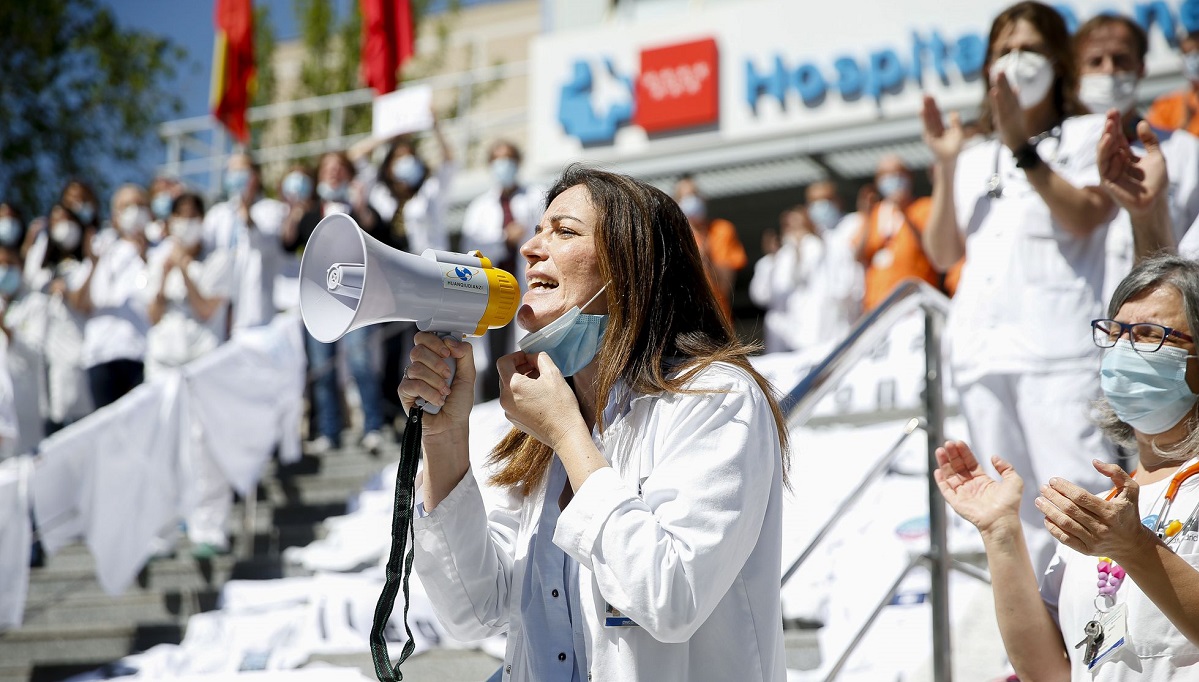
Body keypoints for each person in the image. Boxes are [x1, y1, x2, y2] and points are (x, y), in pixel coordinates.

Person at [403, 165, 790, 681]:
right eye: (538, 230)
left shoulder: (715, 398)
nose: (530, 248)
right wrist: (444, 435)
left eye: (563, 231)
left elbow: (670, 596)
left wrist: (568, 435)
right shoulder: (541, 420)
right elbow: (473, 610)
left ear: (631, 268)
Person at [921, 0, 1121, 574]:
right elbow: (941, 252)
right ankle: (1036, 645)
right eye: (1004, 50)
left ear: (1058, 61)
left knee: (1076, 495)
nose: (1015, 61)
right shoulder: (975, 156)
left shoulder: (1086, 135)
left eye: (1029, 48)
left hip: (1056, 355)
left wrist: (1022, 146)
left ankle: (1097, 637)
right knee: (1011, 508)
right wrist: (944, 164)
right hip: (983, 355)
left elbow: (1085, 215)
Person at [935, 254, 1199, 681]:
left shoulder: (1113, 526)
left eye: (1150, 335)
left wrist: (1134, 548)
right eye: (1114, 334)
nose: (1124, 351)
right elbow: (1048, 672)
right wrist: (1000, 531)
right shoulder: (1101, 509)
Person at [1073, 14, 1199, 302]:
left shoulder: (1186, 151)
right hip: (1072, 336)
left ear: (1142, 67)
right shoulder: (1053, 155)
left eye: (1121, 60)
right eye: (1095, 62)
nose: (1109, 71)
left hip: (1156, 330)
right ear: (1075, 73)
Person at [283, 151, 388, 455]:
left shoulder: (361, 209)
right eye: (328, 168)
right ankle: (329, 431)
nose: (334, 173)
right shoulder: (310, 212)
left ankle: (373, 427)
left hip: (356, 299)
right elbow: (288, 243)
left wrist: (360, 205)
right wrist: (293, 211)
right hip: (319, 300)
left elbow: (380, 234)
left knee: (360, 362)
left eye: (340, 168)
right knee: (322, 367)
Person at [460, 140, 543, 400]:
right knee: (494, 354)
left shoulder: (537, 197)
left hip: (528, 284)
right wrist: (502, 238)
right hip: (494, 290)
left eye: (507, 158)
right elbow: (470, 251)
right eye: (497, 159)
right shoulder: (479, 207)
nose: (502, 165)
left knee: (530, 351)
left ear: (517, 162)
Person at [68, 184, 152, 408]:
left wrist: (147, 259)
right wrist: (94, 265)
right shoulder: (100, 247)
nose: (133, 211)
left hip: (143, 355)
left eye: (139, 205)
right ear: (114, 215)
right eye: (126, 206)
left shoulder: (160, 249)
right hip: (101, 355)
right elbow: (78, 303)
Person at [144, 193, 234, 377]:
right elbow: (153, 316)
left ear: (202, 220)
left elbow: (206, 310)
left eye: (191, 216)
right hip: (162, 363)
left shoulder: (219, 260)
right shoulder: (158, 259)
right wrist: (164, 275)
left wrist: (183, 270)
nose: (185, 222)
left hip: (203, 363)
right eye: (180, 216)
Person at [203, 152, 288, 333]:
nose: (236, 176)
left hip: (255, 310)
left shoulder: (271, 209)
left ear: (255, 176)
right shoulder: (218, 214)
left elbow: (268, 246)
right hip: (220, 310)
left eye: (241, 170)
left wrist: (247, 216)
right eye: (231, 171)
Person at [854, 155, 942, 311]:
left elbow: (933, 249)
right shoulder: (875, 213)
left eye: (897, 173)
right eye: (885, 175)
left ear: (909, 177)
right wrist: (867, 216)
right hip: (877, 304)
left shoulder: (924, 207)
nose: (892, 179)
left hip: (913, 303)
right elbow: (858, 256)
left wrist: (903, 212)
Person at [674, 175, 747, 321]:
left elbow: (726, 287)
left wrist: (707, 260)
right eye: (686, 196)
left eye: (695, 194)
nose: (692, 200)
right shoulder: (673, 236)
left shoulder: (722, 230)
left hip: (718, 319)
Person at [1145, 29, 1199, 137]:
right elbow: (1159, 145)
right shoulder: (1166, 105)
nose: (1194, 61)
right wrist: (1185, 123)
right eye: (1188, 55)